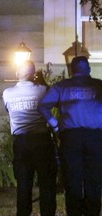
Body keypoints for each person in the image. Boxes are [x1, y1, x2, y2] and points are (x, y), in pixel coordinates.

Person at [38, 56, 102, 216]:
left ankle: (74, 212)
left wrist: (55, 124)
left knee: (72, 178)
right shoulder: (99, 86)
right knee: (94, 179)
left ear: (71, 70)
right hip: (95, 138)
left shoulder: (62, 86)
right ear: (88, 69)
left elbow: (43, 105)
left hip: (70, 138)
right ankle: (92, 213)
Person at [2, 60, 57, 216]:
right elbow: (54, 100)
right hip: (42, 141)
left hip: (21, 143)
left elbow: (8, 109)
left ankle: (23, 213)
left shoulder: (7, 93)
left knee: (23, 184)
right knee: (46, 183)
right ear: (34, 74)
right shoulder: (43, 90)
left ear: (17, 73)